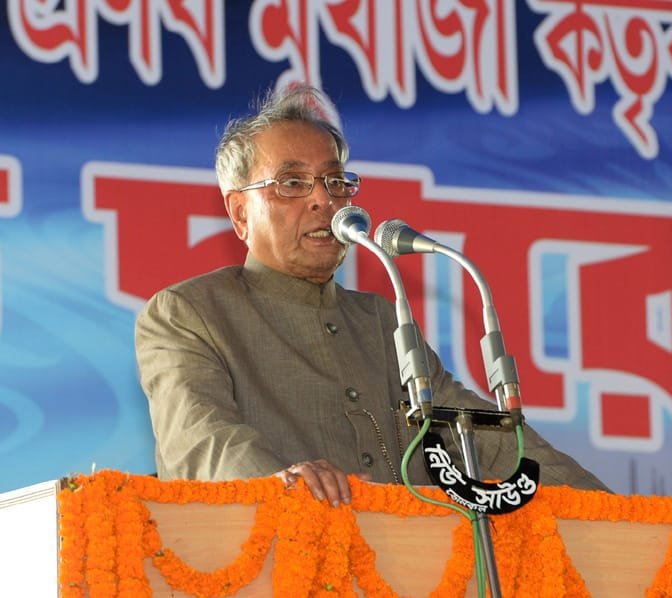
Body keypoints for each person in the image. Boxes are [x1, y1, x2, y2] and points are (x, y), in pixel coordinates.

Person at [135, 84, 608, 508]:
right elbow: (200, 442)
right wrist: (282, 487)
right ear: (240, 213)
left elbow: (485, 437)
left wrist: (624, 513)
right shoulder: (189, 314)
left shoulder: (381, 321)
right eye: (293, 184)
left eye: (335, 182)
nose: (323, 200)